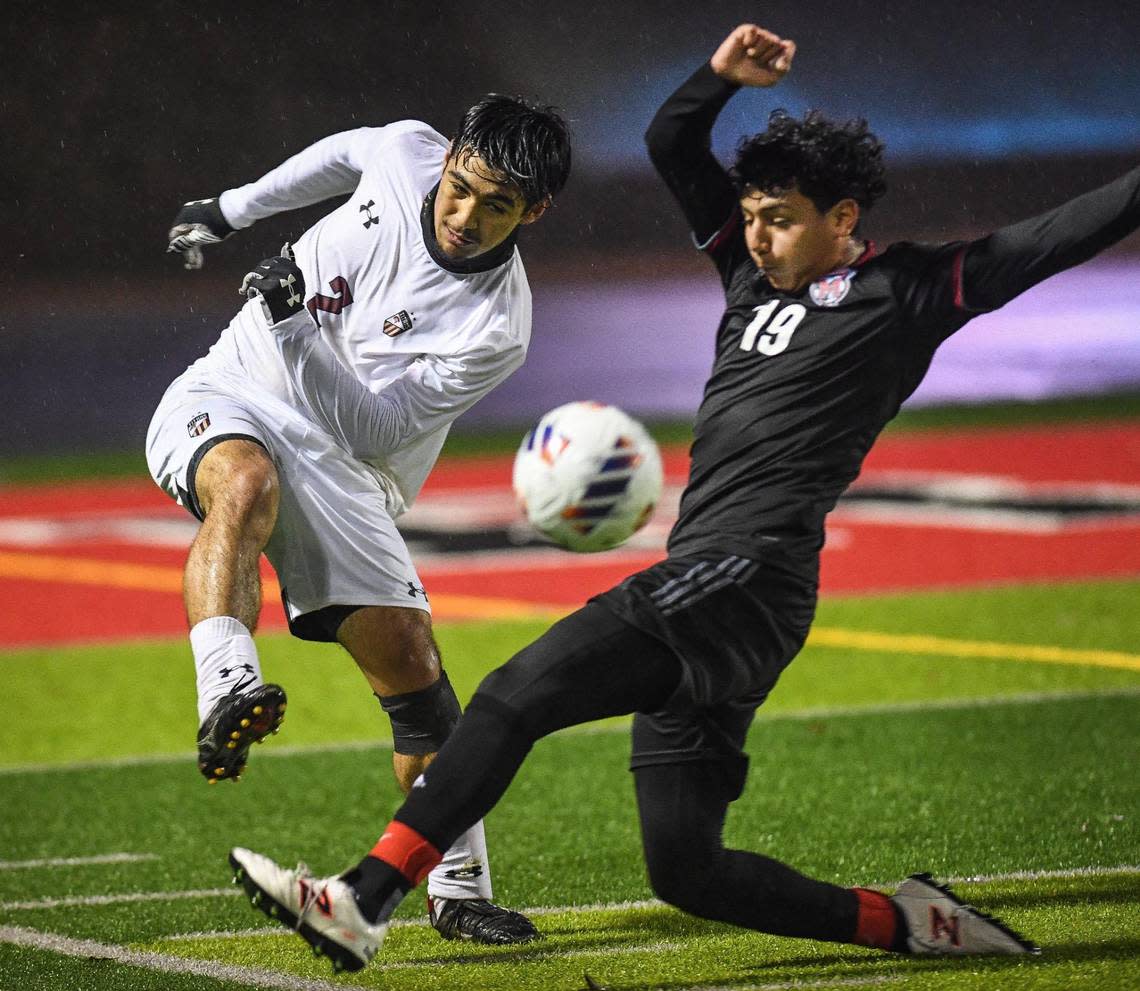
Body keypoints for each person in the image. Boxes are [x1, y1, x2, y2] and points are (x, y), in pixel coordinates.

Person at [228, 22, 1140, 973]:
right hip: (721, 598)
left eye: (779, 216)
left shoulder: (908, 290)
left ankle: (361, 899)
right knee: (686, 870)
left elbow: (1062, 234)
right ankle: (913, 924)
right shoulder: (748, 278)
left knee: (511, 694)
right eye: (748, 213)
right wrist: (716, 79)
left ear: (844, 216)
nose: (754, 233)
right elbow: (674, 143)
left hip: (743, 577)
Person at [146, 93, 572, 945]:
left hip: (350, 463)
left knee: (417, 682)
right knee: (245, 484)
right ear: (445, 159)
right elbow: (342, 153)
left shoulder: (498, 325)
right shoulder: (406, 150)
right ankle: (227, 684)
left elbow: (371, 428)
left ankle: (459, 889)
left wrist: (296, 323)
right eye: (460, 187)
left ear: (535, 211)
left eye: (497, 206)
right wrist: (231, 209)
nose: (463, 215)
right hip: (234, 388)